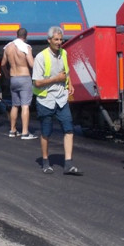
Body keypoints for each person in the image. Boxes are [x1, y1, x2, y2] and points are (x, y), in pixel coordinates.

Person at [32, 26, 81, 175]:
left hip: (61, 99)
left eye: (61, 39)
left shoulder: (64, 53)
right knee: (46, 132)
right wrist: (56, 79)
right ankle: (46, 162)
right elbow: (37, 83)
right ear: (49, 40)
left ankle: (68, 164)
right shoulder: (41, 57)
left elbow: (66, 72)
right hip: (46, 99)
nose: (59, 42)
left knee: (69, 129)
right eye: (56, 40)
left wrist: (69, 83)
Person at [1, 28, 37, 139]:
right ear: (26, 36)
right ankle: (25, 132)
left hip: (13, 78)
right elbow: (31, 64)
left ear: (16, 35)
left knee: (15, 105)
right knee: (25, 105)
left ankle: (12, 130)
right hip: (24, 77)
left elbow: (3, 64)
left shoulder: (8, 47)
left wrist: (7, 74)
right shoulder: (26, 47)